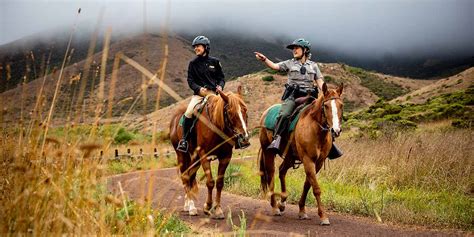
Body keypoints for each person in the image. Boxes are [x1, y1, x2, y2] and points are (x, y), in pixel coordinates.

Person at [254, 38, 343, 159]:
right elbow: (275, 66)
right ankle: (277, 139)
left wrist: (328, 94)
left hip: (310, 97)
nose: (294, 50)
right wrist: (265, 60)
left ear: (305, 50)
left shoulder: (313, 66)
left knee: (324, 115)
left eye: (297, 48)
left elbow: (320, 82)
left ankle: (330, 145)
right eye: (293, 48)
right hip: (293, 97)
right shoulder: (289, 63)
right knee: (285, 114)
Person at [176, 35, 225, 152]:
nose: (195, 48)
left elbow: (221, 78)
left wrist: (220, 86)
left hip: (215, 95)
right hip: (199, 95)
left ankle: (236, 138)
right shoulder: (192, 63)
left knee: (229, 109)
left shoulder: (215, 62)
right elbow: (190, 80)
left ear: (206, 47)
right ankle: (184, 140)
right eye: (195, 47)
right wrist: (198, 89)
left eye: (198, 46)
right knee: (188, 112)